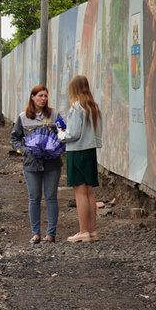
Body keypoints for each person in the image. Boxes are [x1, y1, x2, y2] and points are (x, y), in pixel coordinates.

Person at [10, 85, 63, 243]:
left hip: (52, 163)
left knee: (51, 197)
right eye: (40, 95)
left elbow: (63, 134)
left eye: (45, 96)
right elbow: (14, 139)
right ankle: (36, 233)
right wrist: (24, 150)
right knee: (34, 198)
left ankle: (51, 234)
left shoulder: (55, 115)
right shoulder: (23, 117)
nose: (43, 99)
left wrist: (56, 145)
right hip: (31, 164)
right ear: (32, 97)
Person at [57, 75, 102, 242]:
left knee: (80, 192)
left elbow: (73, 134)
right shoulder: (93, 107)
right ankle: (92, 231)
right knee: (89, 192)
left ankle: (83, 231)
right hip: (90, 151)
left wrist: (61, 134)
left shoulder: (76, 107)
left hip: (77, 152)